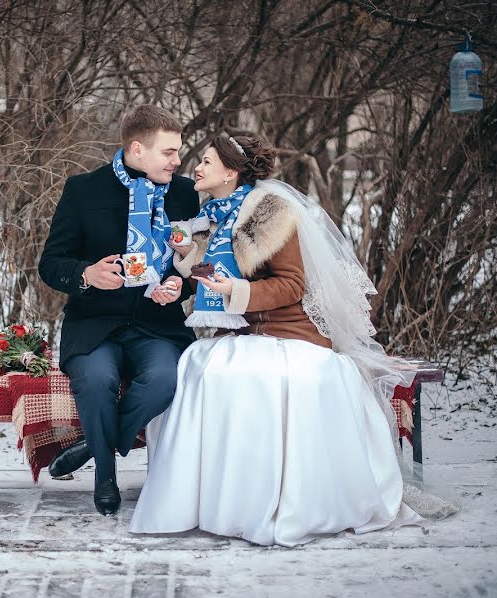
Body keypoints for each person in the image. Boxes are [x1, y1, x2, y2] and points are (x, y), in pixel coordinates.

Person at [129, 134, 452, 546]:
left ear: (231, 172)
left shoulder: (271, 215)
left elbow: (291, 284)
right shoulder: (218, 215)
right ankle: (208, 499)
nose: (197, 167)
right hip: (248, 330)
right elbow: (215, 273)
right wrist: (189, 257)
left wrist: (234, 292)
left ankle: (270, 501)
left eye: (206, 161)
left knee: (242, 375)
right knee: (196, 364)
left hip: (291, 334)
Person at [37, 105, 200, 515]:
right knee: (95, 381)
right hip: (95, 322)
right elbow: (51, 263)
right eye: (168, 152)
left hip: (158, 325)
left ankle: (93, 446)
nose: (177, 161)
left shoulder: (184, 194)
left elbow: (200, 263)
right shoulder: (83, 190)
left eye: (178, 151)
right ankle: (105, 476)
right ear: (137, 148)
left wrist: (181, 284)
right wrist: (86, 274)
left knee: (165, 381)